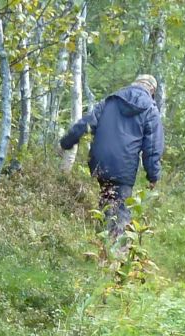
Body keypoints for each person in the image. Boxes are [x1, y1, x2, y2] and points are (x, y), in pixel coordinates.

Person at [59, 74, 164, 243]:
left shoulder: (110, 101)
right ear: (151, 90)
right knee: (119, 209)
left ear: (134, 84)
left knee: (107, 200)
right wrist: (153, 175)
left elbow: (85, 124)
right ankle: (115, 255)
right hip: (123, 167)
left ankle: (100, 247)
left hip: (99, 163)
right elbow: (152, 147)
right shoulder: (150, 109)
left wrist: (66, 143)